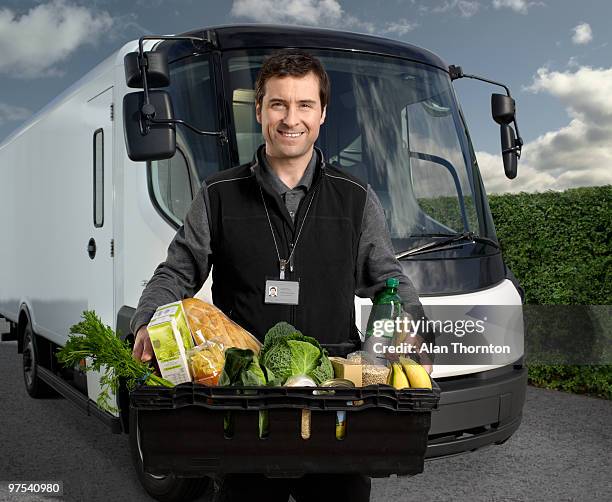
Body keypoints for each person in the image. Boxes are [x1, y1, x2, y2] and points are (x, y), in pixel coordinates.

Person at [131, 49, 430, 502]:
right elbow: (176, 272)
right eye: (279, 104)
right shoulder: (218, 194)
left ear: (322, 113)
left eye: (305, 105)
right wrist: (147, 322)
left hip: (334, 399)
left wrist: (413, 327)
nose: (292, 118)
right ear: (260, 111)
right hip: (244, 402)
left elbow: (388, 277)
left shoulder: (355, 198)